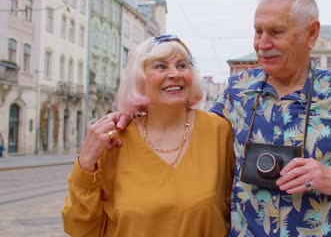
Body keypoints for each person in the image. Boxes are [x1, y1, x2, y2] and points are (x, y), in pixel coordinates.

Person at [208, 0, 331, 236]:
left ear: (311, 33)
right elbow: (189, 137)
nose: (262, 44)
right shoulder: (236, 91)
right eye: (257, 31)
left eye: (276, 32)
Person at [61, 35, 235, 236]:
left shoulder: (219, 132)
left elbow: (242, 208)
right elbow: (80, 227)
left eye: (182, 65)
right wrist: (86, 162)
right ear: (139, 80)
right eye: (160, 66)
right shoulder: (114, 141)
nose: (174, 74)